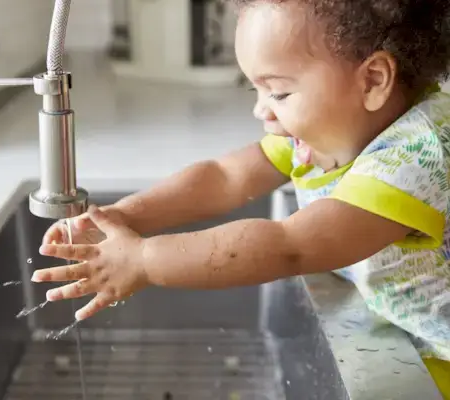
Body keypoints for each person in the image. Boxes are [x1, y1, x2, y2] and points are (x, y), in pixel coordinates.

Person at [31, 0, 450, 396]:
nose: (261, 111)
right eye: (255, 90)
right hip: (399, 327)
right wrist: (125, 217)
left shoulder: (415, 156)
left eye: (279, 93)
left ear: (373, 80)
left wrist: (143, 261)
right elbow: (225, 177)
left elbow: (290, 248)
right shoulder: (329, 129)